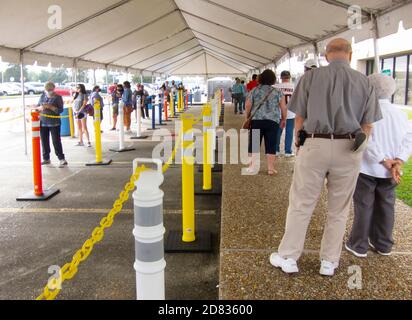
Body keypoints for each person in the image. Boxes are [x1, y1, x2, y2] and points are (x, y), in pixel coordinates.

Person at [270, 38, 382, 276]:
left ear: (326, 55)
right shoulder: (364, 81)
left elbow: (299, 117)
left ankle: (289, 256)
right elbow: (368, 125)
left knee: (301, 203)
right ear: (350, 55)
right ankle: (329, 262)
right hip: (349, 147)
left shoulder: (310, 78)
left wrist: (300, 143)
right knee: (338, 209)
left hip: (315, 143)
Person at [345, 74, 412, 258]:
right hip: (390, 171)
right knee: (386, 206)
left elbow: (367, 140)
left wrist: (383, 159)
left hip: (367, 168)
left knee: (364, 205)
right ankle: (383, 243)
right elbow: (409, 138)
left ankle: (358, 244)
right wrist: (398, 160)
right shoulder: (400, 114)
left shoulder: (366, 112)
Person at [245, 69, 287, 175]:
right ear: (273, 79)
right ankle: (270, 169)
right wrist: (284, 119)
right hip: (272, 121)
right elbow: (283, 107)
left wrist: (247, 117)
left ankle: (252, 167)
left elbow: (248, 105)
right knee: (271, 144)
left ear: (261, 78)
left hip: (257, 121)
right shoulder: (278, 92)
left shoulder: (254, 90)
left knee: (254, 144)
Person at [35, 82, 68, 168]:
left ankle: (61, 158)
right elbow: (37, 107)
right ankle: (46, 158)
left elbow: (60, 110)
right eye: (47, 90)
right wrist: (40, 108)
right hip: (43, 122)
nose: (49, 91)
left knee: (56, 141)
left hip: (54, 123)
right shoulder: (43, 96)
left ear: (53, 89)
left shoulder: (58, 97)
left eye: (50, 90)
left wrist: (51, 107)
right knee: (44, 141)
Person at [275, 71, 296, 157]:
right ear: (289, 77)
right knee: (289, 132)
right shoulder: (294, 86)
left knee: (277, 132)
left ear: (281, 77)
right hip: (291, 113)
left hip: (278, 112)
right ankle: (288, 151)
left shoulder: (275, 87)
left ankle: (276, 150)